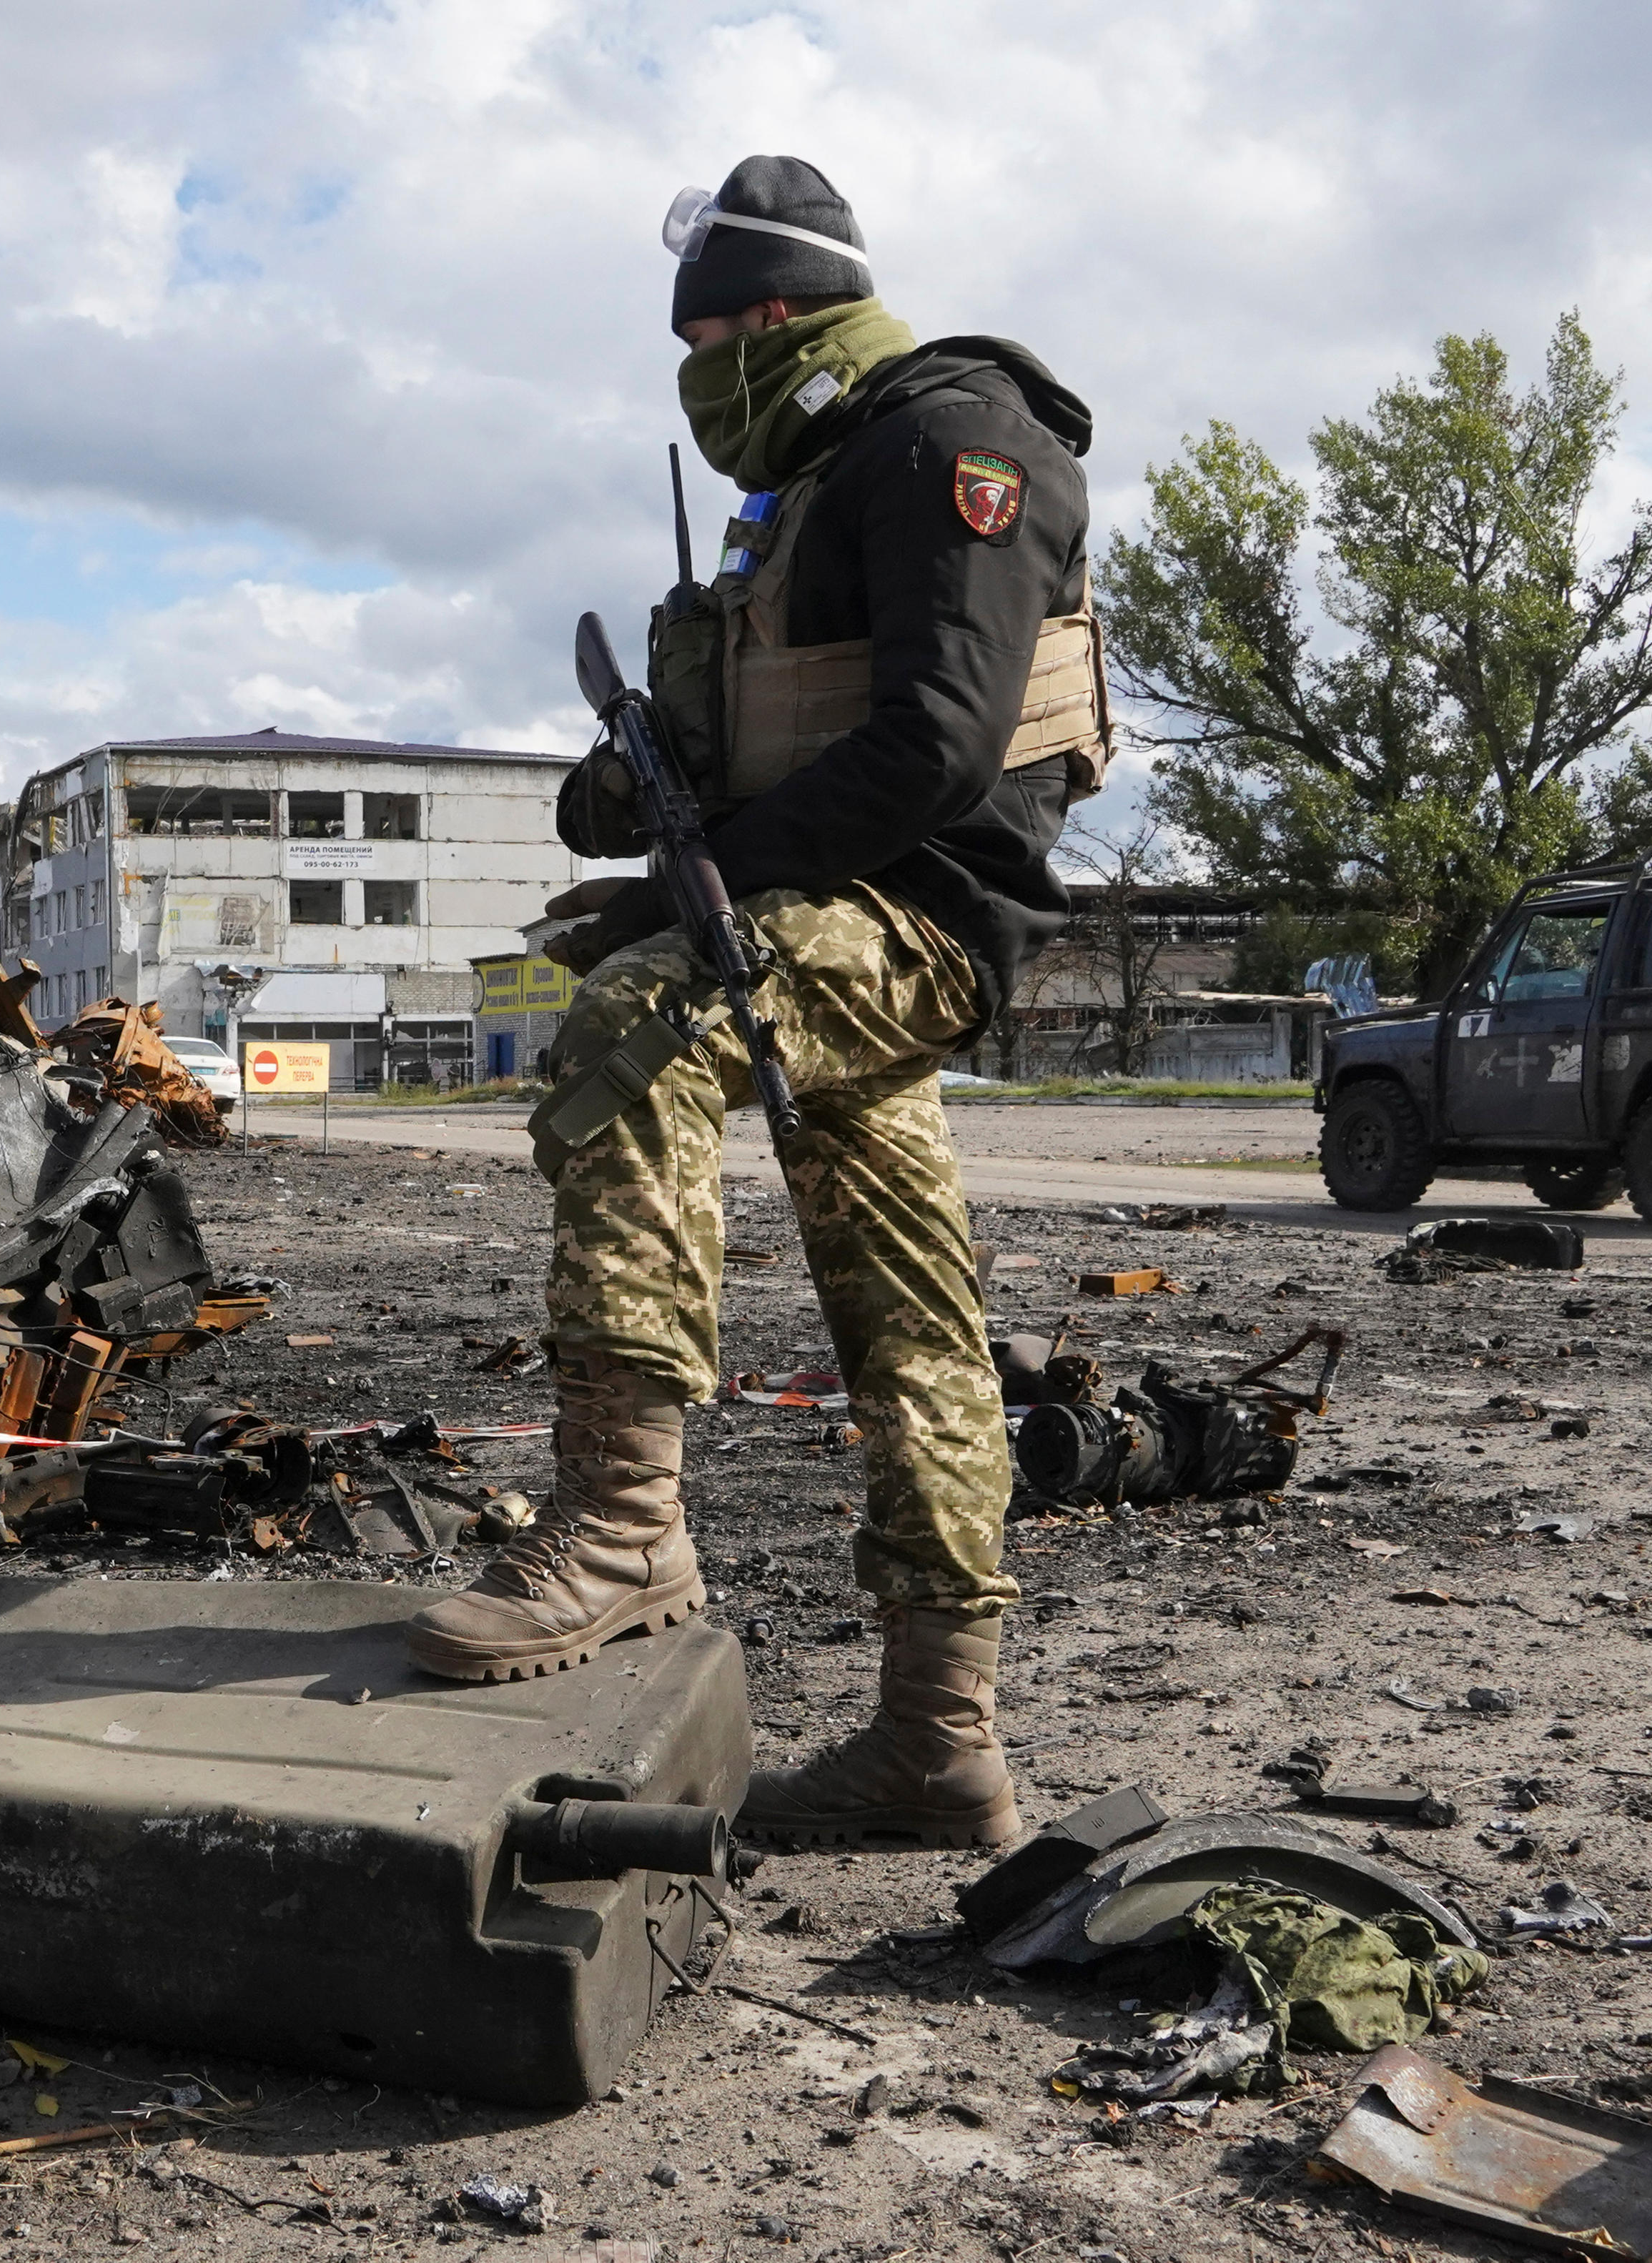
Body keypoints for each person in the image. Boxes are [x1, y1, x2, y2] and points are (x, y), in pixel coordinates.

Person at [402, 156, 1107, 1855]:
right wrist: (642, 801)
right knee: (917, 1323)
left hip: (915, 919)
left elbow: (938, 744)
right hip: (817, 912)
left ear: (773, 320)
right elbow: (790, 724)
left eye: (708, 336)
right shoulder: (814, 483)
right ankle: (940, 1747)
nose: (697, 374)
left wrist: (681, 892)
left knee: (632, 1020)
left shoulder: (955, 441)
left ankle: (625, 1523)